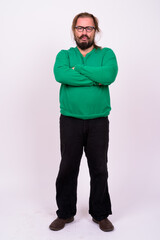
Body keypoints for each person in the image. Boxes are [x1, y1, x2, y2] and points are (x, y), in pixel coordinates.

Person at [49, 12, 118, 232]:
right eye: (80, 28)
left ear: (95, 30)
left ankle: (100, 214)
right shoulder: (65, 55)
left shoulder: (106, 54)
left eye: (88, 28)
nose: (84, 33)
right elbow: (61, 75)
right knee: (68, 167)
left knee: (99, 168)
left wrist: (78, 71)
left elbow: (108, 76)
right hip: (70, 120)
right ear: (74, 30)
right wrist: (94, 77)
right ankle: (65, 213)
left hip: (98, 121)